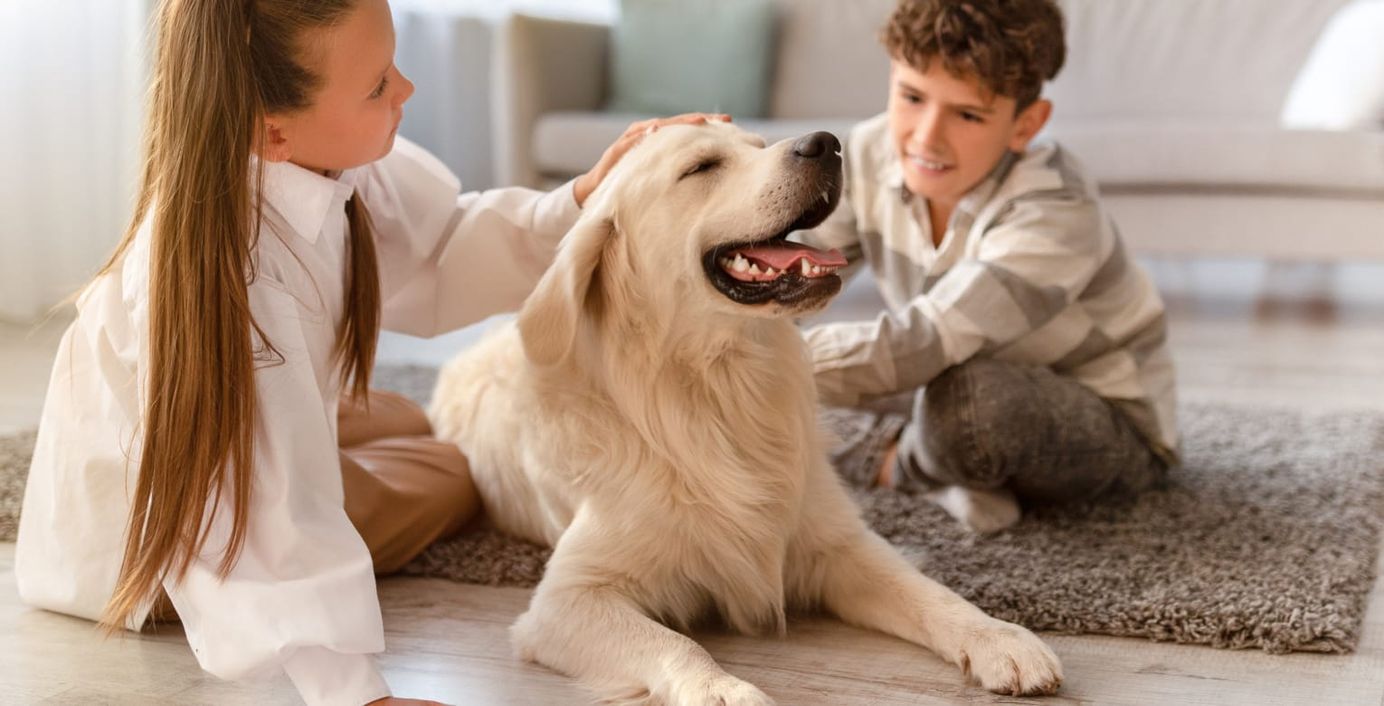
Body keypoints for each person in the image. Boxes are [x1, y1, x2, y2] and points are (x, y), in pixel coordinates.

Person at [13, 0, 725, 704]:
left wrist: (582, 195)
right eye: (379, 84)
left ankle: (355, 448)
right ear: (275, 131)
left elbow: (444, 240)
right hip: (144, 554)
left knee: (406, 416)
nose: (406, 90)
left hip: (218, 435)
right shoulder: (236, 279)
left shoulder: (315, 159)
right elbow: (258, 510)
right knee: (452, 469)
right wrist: (356, 694)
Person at [803, 0, 1178, 533]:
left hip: (1103, 421)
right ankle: (953, 474)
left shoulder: (1055, 207)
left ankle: (897, 465)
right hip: (942, 372)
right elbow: (790, 279)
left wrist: (762, 370)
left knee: (973, 407)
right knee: (765, 392)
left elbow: (927, 342)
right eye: (911, 97)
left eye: (968, 114)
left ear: (1026, 123)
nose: (926, 137)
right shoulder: (866, 153)